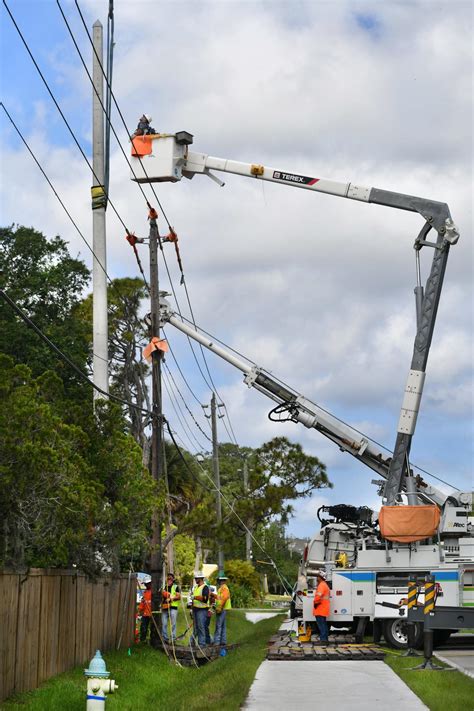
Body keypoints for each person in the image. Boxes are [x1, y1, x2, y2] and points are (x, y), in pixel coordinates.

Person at [213, 572, 231, 647]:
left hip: (222, 609)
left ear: (221, 580)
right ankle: (223, 641)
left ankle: (217, 642)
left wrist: (220, 607)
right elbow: (219, 598)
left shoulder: (224, 588)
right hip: (222, 608)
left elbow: (224, 598)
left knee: (218, 626)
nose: (217, 581)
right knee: (222, 625)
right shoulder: (221, 588)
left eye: (218, 580)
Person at [191, 572, 209, 647]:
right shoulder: (196, 587)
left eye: (196, 578)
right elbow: (193, 599)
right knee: (195, 628)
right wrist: (191, 609)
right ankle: (193, 643)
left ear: (201, 579)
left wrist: (195, 597)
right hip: (195, 609)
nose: (195, 579)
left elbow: (205, 599)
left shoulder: (205, 587)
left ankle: (202, 644)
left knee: (201, 627)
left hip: (202, 610)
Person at [162, 572, 181, 643]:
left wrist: (171, 599)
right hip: (165, 607)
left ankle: (173, 639)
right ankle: (165, 639)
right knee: (164, 624)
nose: (169, 579)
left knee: (173, 624)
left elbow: (178, 597)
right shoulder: (165, 587)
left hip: (173, 607)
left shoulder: (175, 587)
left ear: (173, 579)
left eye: (170, 578)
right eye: (168, 578)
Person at [313, 570, 330, 643]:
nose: (317, 578)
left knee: (321, 626)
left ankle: (323, 640)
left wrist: (315, 603)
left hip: (320, 609)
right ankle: (325, 639)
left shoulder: (321, 585)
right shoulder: (324, 585)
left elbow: (318, 596)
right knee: (323, 625)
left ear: (321, 577)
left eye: (318, 576)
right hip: (323, 609)